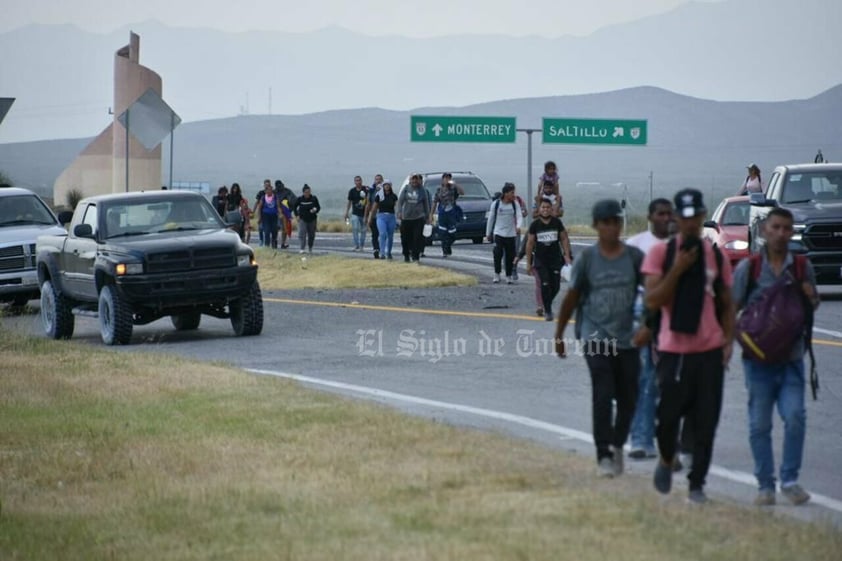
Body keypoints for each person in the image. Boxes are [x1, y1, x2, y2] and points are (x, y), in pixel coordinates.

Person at [643, 188, 735, 504]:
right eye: (684, 217)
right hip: (673, 350)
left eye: (696, 216)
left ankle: (697, 485)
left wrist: (728, 342)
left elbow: (726, 302)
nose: (691, 222)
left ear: (701, 216)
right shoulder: (661, 255)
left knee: (706, 421)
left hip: (709, 350)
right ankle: (667, 459)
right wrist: (678, 269)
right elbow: (653, 300)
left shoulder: (716, 256)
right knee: (668, 419)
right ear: (677, 220)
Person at [732, 207, 819, 506]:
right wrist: (737, 340)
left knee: (795, 417)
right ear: (765, 231)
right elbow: (730, 309)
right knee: (759, 424)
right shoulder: (750, 269)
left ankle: (791, 480)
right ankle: (765, 485)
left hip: (792, 359)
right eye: (776, 227)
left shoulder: (802, 268)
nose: (782, 233)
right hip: (757, 363)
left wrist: (810, 297)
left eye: (787, 228)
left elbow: (813, 305)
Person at [553, 199, 644, 477]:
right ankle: (603, 453)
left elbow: (651, 292)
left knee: (629, 398)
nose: (611, 227)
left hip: (627, 337)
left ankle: (617, 444)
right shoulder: (588, 260)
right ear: (596, 226)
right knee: (603, 392)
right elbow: (572, 298)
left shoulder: (633, 258)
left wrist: (649, 324)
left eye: (615, 221)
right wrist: (559, 333)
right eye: (605, 222)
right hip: (595, 335)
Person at [626, 198, 674, 460]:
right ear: (650, 216)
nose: (666, 218)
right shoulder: (636, 244)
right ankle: (641, 440)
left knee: (668, 381)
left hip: (675, 319)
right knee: (644, 378)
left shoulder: (683, 246)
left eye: (670, 214)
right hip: (641, 315)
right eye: (661, 214)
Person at [526, 199, 572, 321]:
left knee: (555, 286)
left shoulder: (557, 223)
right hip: (541, 260)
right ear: (539, 209)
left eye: (547, 207)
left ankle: (547, 303)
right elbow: (530, 244)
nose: (545, 210)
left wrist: (567, 254)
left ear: (551, 209)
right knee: (545, 283)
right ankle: (548, 311)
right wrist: (528, 263)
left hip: (555, 259)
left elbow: (564, 239)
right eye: (543, 207)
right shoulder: (535, 225)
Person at [486, 182, 523, 284]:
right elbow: (491, 219)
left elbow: (519, 216)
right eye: (512, 193)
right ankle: (497, 274)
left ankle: (508, 275)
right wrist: (488, 233)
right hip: (498, 233)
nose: (513, 195)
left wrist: (518, 226)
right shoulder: (496, 204)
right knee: (497, 253)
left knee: (510, 255)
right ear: (506, 193)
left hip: (511, 234)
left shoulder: (515, 204)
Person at [397, 173, 431, 263]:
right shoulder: (406, 189)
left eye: (416, 179)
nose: (414, 181)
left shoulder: (422, 190)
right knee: (405, 238)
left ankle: (415, 256)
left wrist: (428, 217)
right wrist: (399, 212)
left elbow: (426, 204)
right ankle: (406, 255)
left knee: (417, 238)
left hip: (418, 218)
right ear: (410, 180)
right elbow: (400, 202)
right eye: (413, 179)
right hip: (406, 218)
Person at [430, 172, 465, 258]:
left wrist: (455, 184)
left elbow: (462, 192)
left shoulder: (453, 189)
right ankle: (445, 251)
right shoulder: (439, 190)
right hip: (442, 213)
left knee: (452, 234)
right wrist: (431, 214)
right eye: (445, 178)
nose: (446, 180)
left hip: (451, 213)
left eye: (448, 178)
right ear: (442, 179)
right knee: (443, 234)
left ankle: (448, 246)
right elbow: (435, 202)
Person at [368, 179, 398, 260]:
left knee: (390, 236)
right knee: (382, 234)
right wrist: (370, 218)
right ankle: (382, 253)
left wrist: (399, 217)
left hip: (391, 217)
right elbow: (374, 208)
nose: (387, 186)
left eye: (388, 185)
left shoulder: (394, 196)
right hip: (381, 217)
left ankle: (389, 252)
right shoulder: (379, 196)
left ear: (390, 186)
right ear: (383, 186)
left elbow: (397, 207)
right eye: (385, 185)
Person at [292, 184, 320, 254]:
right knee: (302, 233)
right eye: (306, 192)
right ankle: (302, 248)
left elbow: (318, 207)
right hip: (302, 219)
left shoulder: (314, 198)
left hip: (312, 219)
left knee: (311, 234)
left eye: (309, 191)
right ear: (303, 192)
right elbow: (294, 207)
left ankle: (310, 247)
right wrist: (297, 215)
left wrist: (315, 210)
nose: (308, 193)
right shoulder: (300, 199)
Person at [344, 176, 368, 251]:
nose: (358, 182)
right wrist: (346, 212)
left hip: (364, 213)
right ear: (354, 182)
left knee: (363, 230)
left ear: (362, 181)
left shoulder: (366, 189)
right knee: (355, 228)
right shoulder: (352, 191)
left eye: (359, 180)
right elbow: (349, 202)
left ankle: (361, 245)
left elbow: (369, 201)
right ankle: (356, 244)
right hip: (355, 213)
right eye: (356, 181)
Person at [256, 179, 280, 249]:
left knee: (274, 231)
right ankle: (267, 246)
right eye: (268, 190)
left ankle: (274, 244)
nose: (269, 191)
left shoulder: (275, 197)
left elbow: (278, 206)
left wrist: (280, 213)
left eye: (270, 190)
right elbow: (259, 207)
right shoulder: (263, 198)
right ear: (266, 191)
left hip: (274, 216)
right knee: (266, 231)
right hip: (265, 216)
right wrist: (259, 217)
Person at [366, 174, 384, 259]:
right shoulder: (371, 191)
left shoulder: (386, 190)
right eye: (376, 179)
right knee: (375, 234)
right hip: (374, 215)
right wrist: (366, 216)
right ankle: (376, 249)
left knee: (383, 234)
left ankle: (383, 250)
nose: (378, 181)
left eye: (380, 179)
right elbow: (368, 204)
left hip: (383, 215)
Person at [275, 180, 297, 249]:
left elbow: (294, 200)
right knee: (275, 229)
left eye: (281, 185)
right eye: (278, 186)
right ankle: (274, 242)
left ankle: (282, 243)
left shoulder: (288, 191)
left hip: (286, 212)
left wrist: (290, 208)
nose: (280, 187)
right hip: (276, 213)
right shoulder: (274, 192)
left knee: (284, 229)